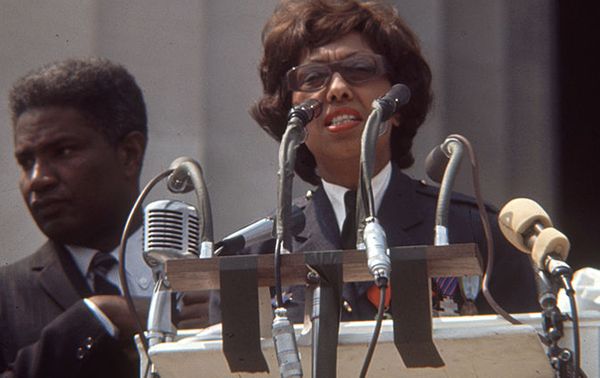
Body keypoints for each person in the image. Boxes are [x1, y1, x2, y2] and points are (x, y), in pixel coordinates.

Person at [211, 0, 538, 323]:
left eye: (359, 70)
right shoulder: (254, 256)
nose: (337, 89)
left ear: (398, 105)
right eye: (313, 78)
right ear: (290, 117)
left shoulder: (478, 233)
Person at [0, 58, 208, 378]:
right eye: (26, 161)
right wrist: (98, 317)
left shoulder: (210, 283)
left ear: (129, 154)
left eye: (63, 151)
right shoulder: (6, 296)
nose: (37, 179)